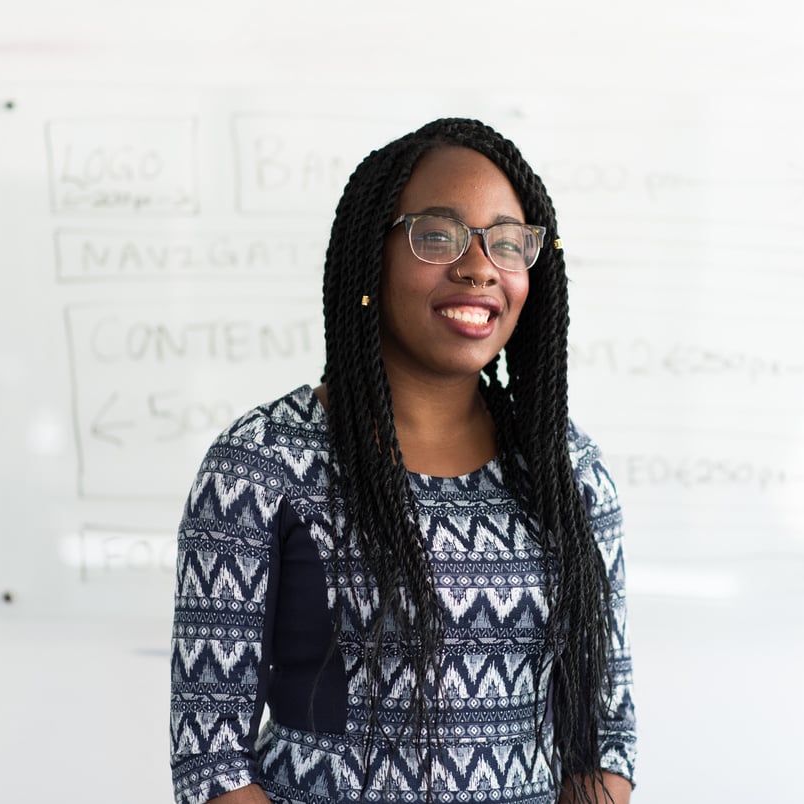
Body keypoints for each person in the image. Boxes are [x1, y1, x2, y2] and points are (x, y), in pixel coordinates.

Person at [169, 118, 636, 804]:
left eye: (508, 243)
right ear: (371, 255)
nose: (479, 266)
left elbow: (603, 736)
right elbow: (210, 759)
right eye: (438, 235)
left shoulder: (567, 470)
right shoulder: (263, 465)